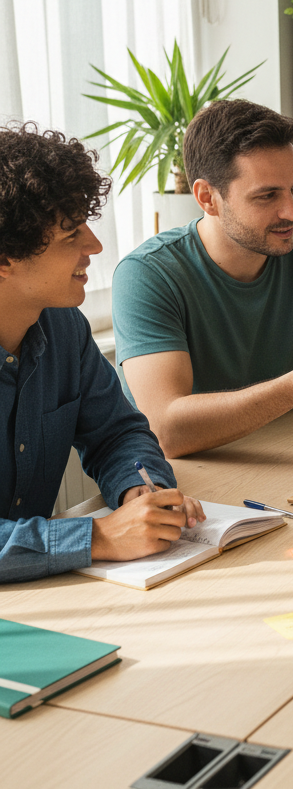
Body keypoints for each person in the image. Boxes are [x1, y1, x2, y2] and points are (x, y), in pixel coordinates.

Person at [112, 99, 293, 458]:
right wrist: (292, 390)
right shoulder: (147, 275)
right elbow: (166, 430)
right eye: (267, 196)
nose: (292, 211)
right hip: (190, 479)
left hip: (287, 457)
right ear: (208, 198)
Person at [0, 123, 204, 583]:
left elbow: (115, 434)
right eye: (71, 234)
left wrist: (139, 489)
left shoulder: (62, 326)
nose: (94, 245)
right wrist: (97, 537)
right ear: (5, 259)